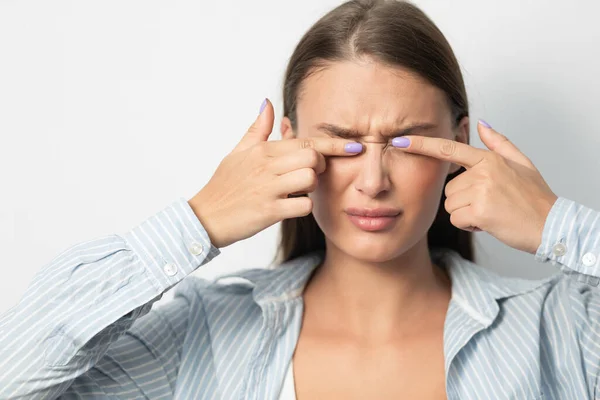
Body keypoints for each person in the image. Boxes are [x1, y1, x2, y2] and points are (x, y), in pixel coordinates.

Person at [1, 0, 599, 398]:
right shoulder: (203, 334)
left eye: (405, 142)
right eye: (340, 143)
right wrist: (200, 220)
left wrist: (554, 224)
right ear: (289, 143)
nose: (373, 180)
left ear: (458, 143)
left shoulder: (559, 327)